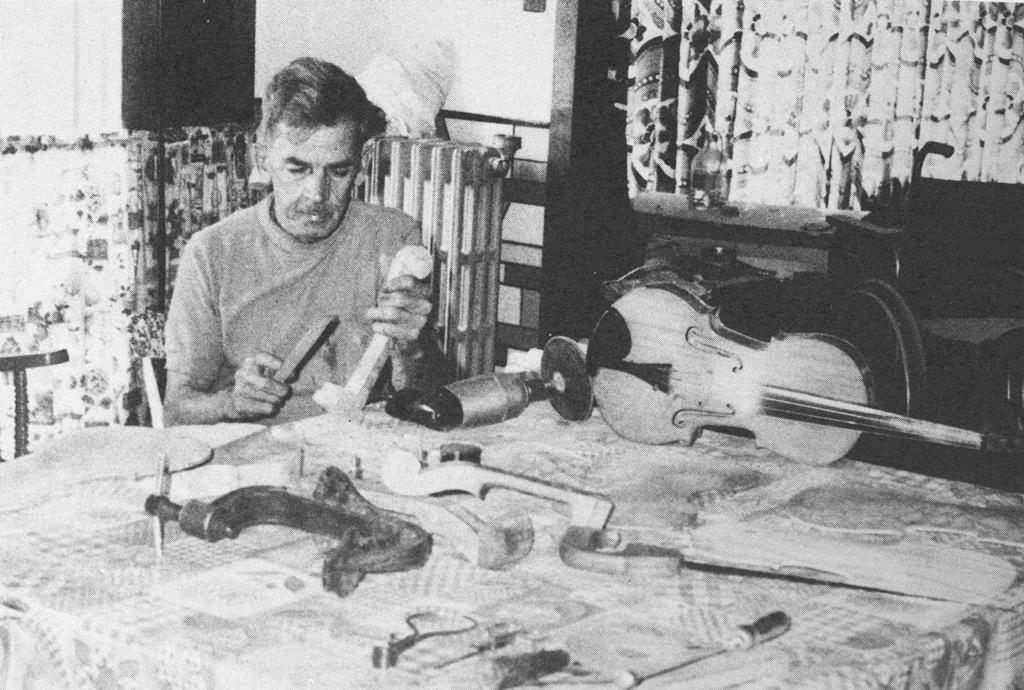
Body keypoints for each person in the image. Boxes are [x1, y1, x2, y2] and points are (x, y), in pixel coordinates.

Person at [163, 57, 451, 425]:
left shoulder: (394, 239)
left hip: (355, 447)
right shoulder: (212, 253)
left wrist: (414, 348)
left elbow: (425, 401)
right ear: (262, 159)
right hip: (250, 456)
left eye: (338, 171)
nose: (317, 194)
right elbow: (176, 410)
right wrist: (229, 404)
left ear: (361, 168)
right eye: (297, 169)